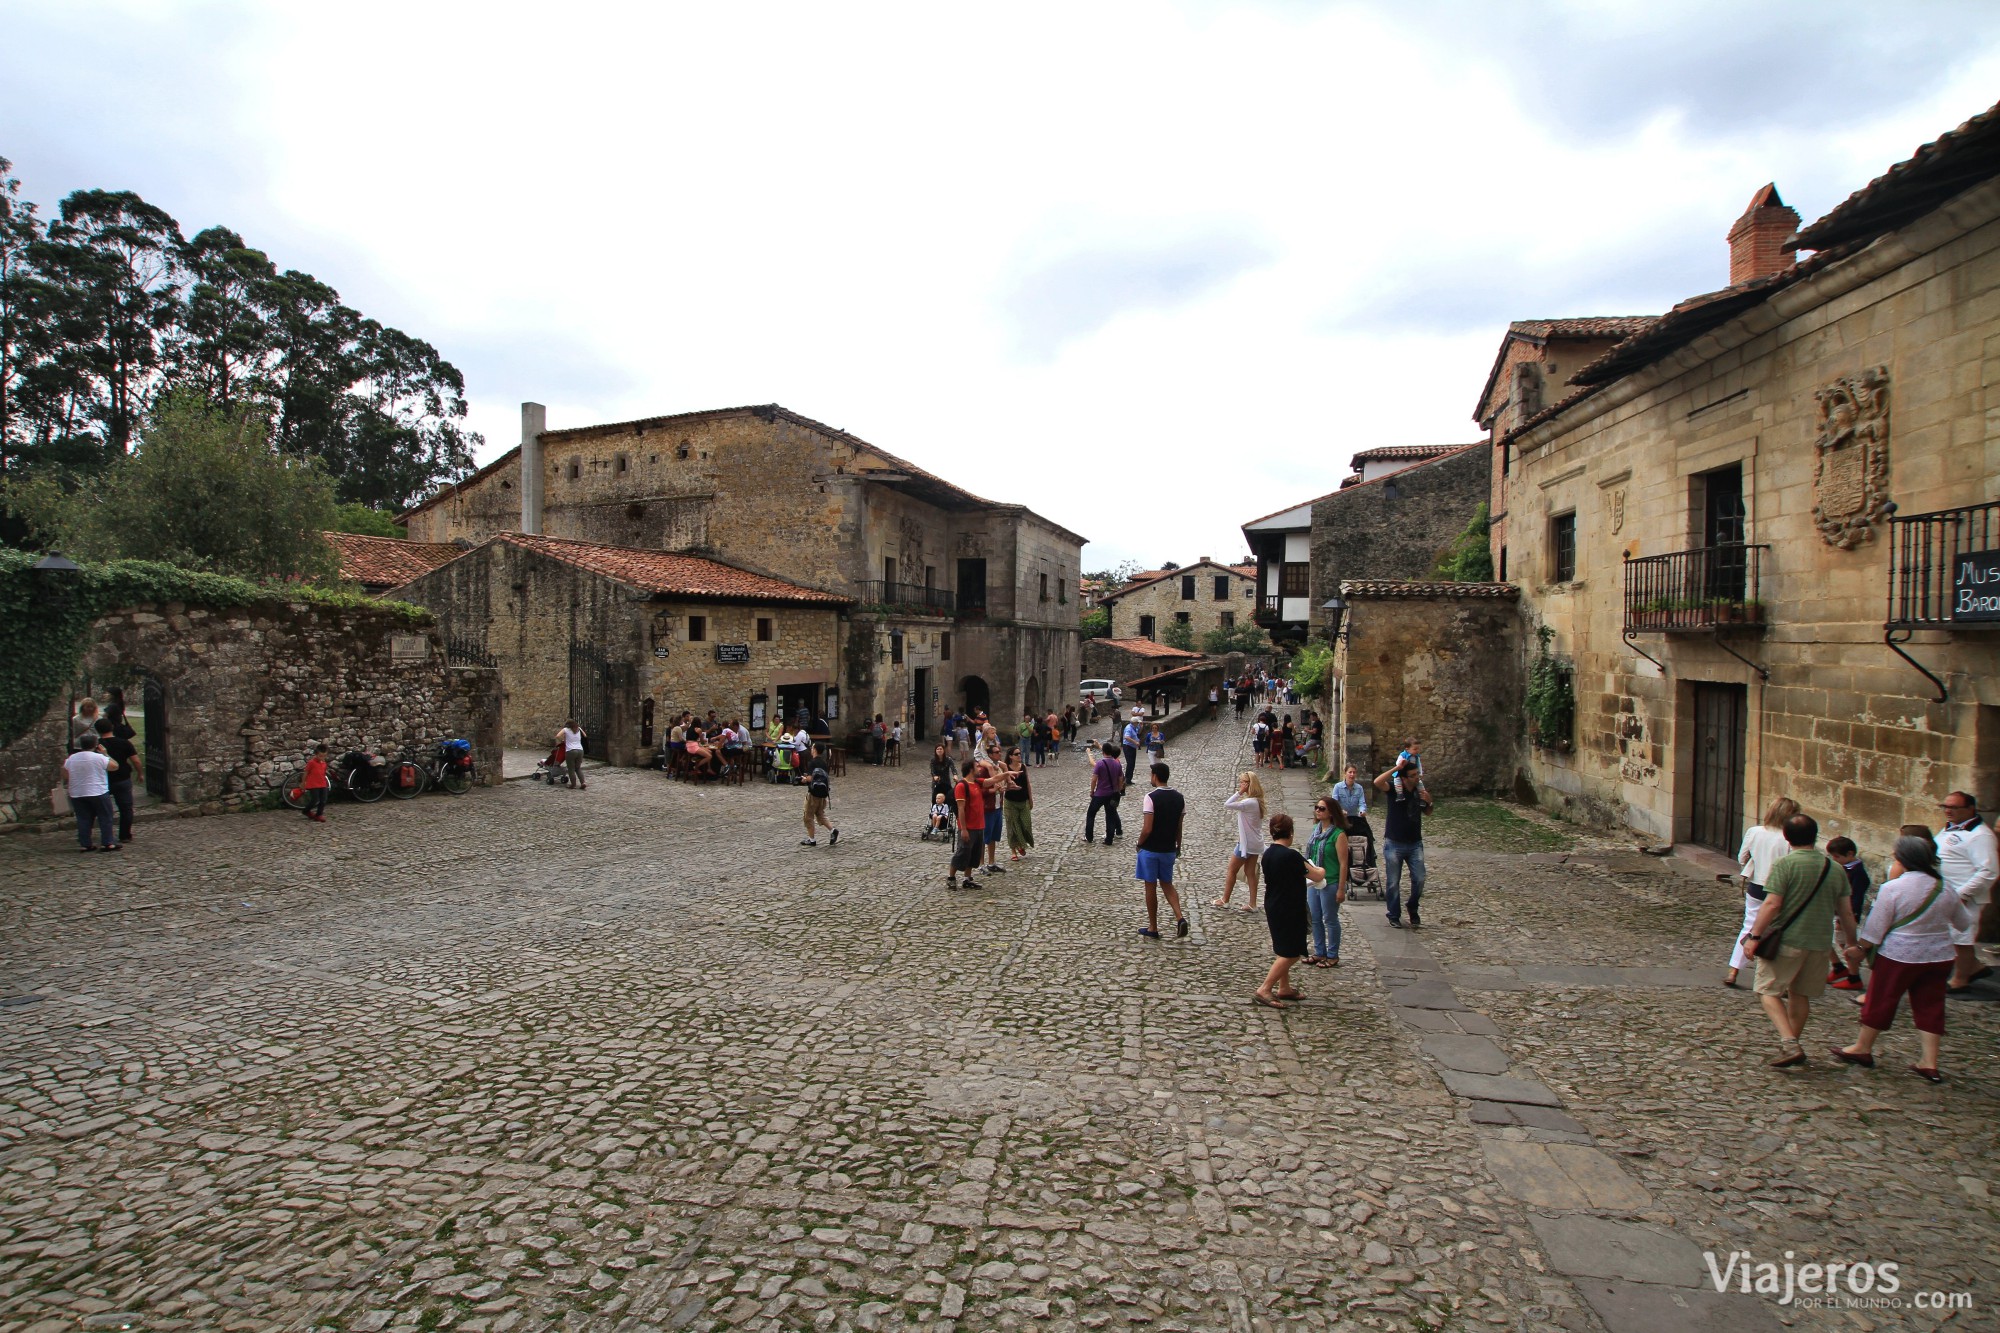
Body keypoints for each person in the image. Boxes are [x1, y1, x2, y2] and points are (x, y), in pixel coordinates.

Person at [1831, 834, 1974, 1082]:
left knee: (1881, 998)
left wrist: (1859, 949)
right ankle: (1929, 1062)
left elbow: (1875, 929)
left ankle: (1862, 1047)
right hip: (1939, 955)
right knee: (1930, 1004)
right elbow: (1963, 923)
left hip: (1900, 955)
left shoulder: (1894, 888)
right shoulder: (1945, 887)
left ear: (1904, 860)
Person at [1741, 813, 1861, 1069]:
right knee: (1800, 994)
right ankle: (1792, 1043)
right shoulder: (1835, 868)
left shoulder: (1785, 865)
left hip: (1788, 940)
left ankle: (1789, 1042)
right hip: (1818, 942)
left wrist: (1754, 936)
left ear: (1786, 837)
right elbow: (1846, 912)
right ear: (1815, 836)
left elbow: (1772, 904)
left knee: (1768, 990)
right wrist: (1852, 944)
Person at [1253, 813, 1324, 1007]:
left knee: (1282, 947)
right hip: (1289, 907)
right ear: (1290, 833)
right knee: (1292, 952)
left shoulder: (1268, 854)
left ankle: (1284, 987)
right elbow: (1316, 876)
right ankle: (1265, 988)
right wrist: (1322, 870)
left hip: (1273, 903)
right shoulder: (1291, 856)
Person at [1729, 797, 1799, 987]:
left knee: (1749, 926)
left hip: (1757, 886)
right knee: (1779, 931)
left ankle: (1734, 970)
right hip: (1781, 888)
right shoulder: (1789, 839)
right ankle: (1777, 978)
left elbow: (1742, 858)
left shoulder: (1755, 831)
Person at [1937, 792, 1997, 995]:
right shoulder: (1951, 828)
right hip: (1948, 894)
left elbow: (1989, 871)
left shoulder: (1980, 835)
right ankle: (1974, 967)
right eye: (1945, 806)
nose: (1948, 810)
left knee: (1961, 937)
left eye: (1954, 807)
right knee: (1949, 936)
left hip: (1964, 896)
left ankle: (1960, 979)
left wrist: (1963, 894)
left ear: (1970, 809)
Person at [1374, 753, 1430, 927]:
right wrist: (1397, 769)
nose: (1416, 778)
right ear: (1404, 778)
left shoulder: (1419, 791)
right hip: (1394, 843)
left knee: (1419, 878)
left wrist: (1429, 802)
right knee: (1393, 882)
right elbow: (1377, 782)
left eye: (1417, 775)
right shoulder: (1394, 789)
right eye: (1412, 776)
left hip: (1414, 843)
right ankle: (1394, 914)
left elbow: (1428, 812)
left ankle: (1412, 906)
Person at [1135, 762, 1188, 940]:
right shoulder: (1179, 798)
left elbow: (1147, 828)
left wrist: (1139, 843)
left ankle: (1153, 927)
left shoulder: (1151, 797)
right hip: (1168, 849)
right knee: (1167, 883)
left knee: (1150, 886)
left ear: (1155, 776)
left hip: (1151, 849)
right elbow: (1179, 827)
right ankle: (1180, 917)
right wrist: (1178, 846)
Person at [1305, 796, 1350, 967]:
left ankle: (1332, 954)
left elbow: (1344, 863)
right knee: (1315, 918)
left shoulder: (1338, 835)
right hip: (1314, 881)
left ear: (1331, 812)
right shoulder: (1316, 831)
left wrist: (1341, 888)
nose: (1318, 810)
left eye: (1322, 808)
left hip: (1330, 881)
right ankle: (1319, 951)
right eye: (1317, 807)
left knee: (1330, 919)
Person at [1824, 836, 1871, 990]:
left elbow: (1855, 899)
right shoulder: (1843, 868)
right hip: (1837, 911)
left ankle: (1853, 976)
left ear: (1850, 854)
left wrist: (1847, 917)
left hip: (1847, 915)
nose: (1834, 859)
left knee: (1849, 946)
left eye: (1837, 856)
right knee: (1831, 940)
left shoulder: (1857, 873)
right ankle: (1838, 967)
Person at [1215, 772, 1265, 912]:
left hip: (1246, 843)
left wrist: (1239, 792)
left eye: (1243, 782)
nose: (1240, 784)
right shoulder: (1257, 802)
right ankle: (1252, 904)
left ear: (1248, 784)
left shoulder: (1248, 803)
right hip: (1255, 843)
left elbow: (1228, 804)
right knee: (1250, 872)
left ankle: (1225, 899)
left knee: (1232, 870)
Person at [63, 733, 120, 851]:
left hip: (77, 792)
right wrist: (105, 753)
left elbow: (64, 774)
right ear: (96, 745)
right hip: (97, 791)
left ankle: (85, 844)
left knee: (83, 818)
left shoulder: (72, 758)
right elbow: (114, 766)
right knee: (105, 816)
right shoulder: (99, 757)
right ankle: (108, 842)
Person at [94, 718, 140, 843]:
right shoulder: (124, 743)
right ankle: (125, 835)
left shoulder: (96, 745)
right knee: (125, 808)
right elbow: (135, 760)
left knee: (103, 809)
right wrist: (140, 773)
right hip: (122, 778)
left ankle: (105, 834)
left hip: (103, 780)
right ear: (112, 728)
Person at [947, 758, 987, 890]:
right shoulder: (961, 786)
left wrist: (1006, 774)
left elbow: (991, 781)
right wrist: (963, 829)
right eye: (977, 766)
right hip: (968, 827)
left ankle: (967, 878)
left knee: (974, 854)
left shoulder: (976, 783)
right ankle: (951, 878)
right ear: (971, 769)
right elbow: (961, 809)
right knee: (962, 853)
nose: (980, 769)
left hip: (979, 825)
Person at [1330, 764, 1375, 873]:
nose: (1352, 775)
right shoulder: (1338, 787)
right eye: (1350, 772)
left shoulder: (1359, 788)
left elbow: (1362, 803)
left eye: (1354, 772)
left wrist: (1362, 811)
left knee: (1365, 836)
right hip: (1342, 820)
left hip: (1355, 819)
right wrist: (1340, 811)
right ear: (1345, 773)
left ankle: (1366, 861)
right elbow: (1334, 803)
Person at [1085, 741, 1125, 845]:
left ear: (1103, 752)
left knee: (1091, 814)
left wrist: (1092, 791)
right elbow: (1120, 778)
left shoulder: (1100, 763)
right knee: (1110, 816)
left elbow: (1094, 779)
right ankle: (1109, 839)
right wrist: (1119, 790)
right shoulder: (1117, 763)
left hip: (1100, 794)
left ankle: (1089, 836)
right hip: (1112, 793)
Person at [1002, 747, 1035, 861]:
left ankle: (1021, 843)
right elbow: (1002, 784)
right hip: (1010, 801)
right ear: (1010, 756)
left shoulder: (1024, 767)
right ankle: (1013, 851)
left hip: (1023, 800)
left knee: (1026, 824)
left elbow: (1027, 783)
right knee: (1012, 826)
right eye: (1016, 754)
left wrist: (1030, 798)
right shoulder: (1006, 768)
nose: (1019, 755)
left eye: (1020, 753)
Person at [799, 756, 838, 846]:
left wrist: (804, 779)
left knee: (808, 815)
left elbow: (810, 778)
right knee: (820, 814)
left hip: (814, 793)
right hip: (823, 793)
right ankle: (833, 830)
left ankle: (811, 839)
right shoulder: (824, 762)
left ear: (815, 750)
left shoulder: (812, 763)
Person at [300, 742, 330, 823]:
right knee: (314, 800)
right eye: (320, 756)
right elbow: (306, 772)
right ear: (316, 754)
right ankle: (306, 810)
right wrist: (303, 782)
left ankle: (319, 814)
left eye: (324, 756)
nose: (322, 758)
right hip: (313, 784)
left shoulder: (324, 763)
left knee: (323, 800)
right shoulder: (311, 763)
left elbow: (323, 773)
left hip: (322, 783)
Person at [557, 720, 588, 790]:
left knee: (571, 769)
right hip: (580, 750)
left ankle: (573, 784)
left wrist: (563, 740)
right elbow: (585, 735)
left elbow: (558, 735)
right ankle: (583, 782)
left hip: (570, 751)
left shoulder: (566, 729)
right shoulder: (579, 729)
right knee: (578, 768)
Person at [1121, 713, 1143, 788]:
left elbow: (1138, 733)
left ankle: (1129, 779)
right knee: (1130, 763)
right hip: (1128, 746)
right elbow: (1126, 737)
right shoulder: (1129, 728)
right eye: (1138, 723)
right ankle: (1126, 779)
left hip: (1132, 747)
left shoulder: (1134, 727)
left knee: (1132, 763)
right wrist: (1135, 742)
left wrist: (1141, 727)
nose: (1138, 724)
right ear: (1134, 723)